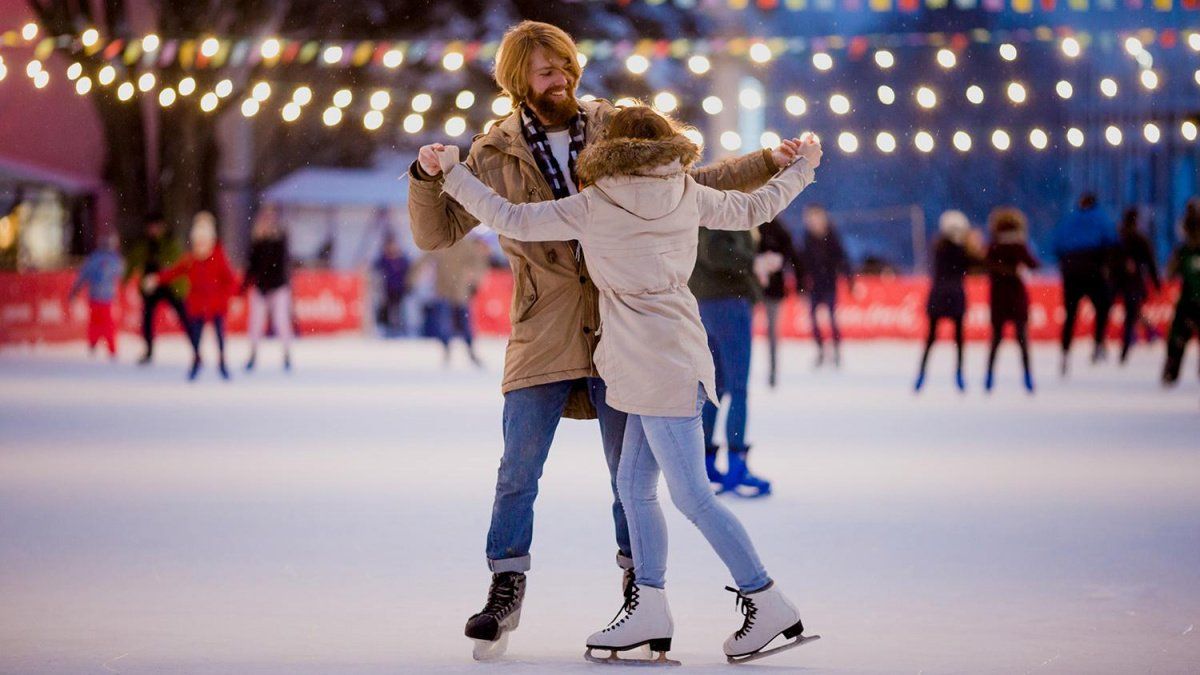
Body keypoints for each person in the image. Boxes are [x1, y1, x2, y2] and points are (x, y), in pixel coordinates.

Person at [406, 20, 806, 659]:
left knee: (656, 488)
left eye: (566, 65)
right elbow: (439, 235)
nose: (561, 78)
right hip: (555, 328)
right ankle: (541, 589)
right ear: (518, 81)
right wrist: (432, 178)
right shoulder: (496, 153)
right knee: (547, 472)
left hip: (626, 341)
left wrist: (768, 162)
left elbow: (695, 183)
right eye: (546, 71)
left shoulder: (610, 138)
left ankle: (688, 593)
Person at [691, 222, 771, 497]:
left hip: (708, 301)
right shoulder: (724, 206)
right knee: (736, 387)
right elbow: (714, 251)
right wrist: (753, 262)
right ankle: (736, 465)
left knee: (718, 386)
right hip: (727, 301)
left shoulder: (710, 201)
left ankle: (706, 464)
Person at [147, 212, 239, 381]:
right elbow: (174, 272)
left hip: (216, 303)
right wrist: (157, 278)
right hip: (197, 304)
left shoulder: (218, 256)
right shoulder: (190, 259)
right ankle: (197, 359)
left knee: (219, 335)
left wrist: (231, 296)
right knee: (195, 335)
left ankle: (222, 362)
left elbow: (230, 279)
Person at [1053, 192, 1117, 374]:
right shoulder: (1100, 217)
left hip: (1071, 267)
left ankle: (1065, 353)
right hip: (1092, 266)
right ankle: (1098, 344)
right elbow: (1112, 240)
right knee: (1103, 305)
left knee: (1071, 314)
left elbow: (1056, 243)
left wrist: (1065, 264)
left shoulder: (1070, 219)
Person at [914, 210, 976, 393]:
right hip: (953, 297)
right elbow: (975, 265)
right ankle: (958, 375)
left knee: (931, 339)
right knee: (957, 339)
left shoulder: (939, 247)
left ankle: (922, 375)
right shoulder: (959, 250)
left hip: (939, 297)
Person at [984, 207, 1041, 393]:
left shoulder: (993, 246)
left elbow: (985, 266)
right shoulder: (1019, 246)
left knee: (996, 339)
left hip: (998, 297)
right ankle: (1027, 376)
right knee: (1022, 339)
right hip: (1016, 296)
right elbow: (1035, 264)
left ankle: (989, 377)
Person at [412, 236, 490, 366]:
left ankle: (469, 350)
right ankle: (447, 349)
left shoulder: (465, 245)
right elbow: (425, 259)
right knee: (445, 323)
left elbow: (478, 263)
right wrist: (414, 276)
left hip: (459, 291)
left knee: (464, 323)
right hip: (445, 290)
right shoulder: (442, 243)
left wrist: (476, 279)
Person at [124, 214, 190, 365]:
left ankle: (195, 346)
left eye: (156, 227)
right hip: (150, 287)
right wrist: (126, 280)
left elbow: (176, 262)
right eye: (151, 227)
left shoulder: (169, 243)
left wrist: (162, 269)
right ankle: (148, 350)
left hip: (169, 285)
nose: (153, 230)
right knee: (147, 319)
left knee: (184, 315)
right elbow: (133, 262)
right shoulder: (144, 245)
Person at [800, 205, 853, 368]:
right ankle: (821, 350)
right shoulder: (807, 238)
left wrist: (850, 279)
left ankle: (836, 350)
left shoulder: (831, 237)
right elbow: (802, 264)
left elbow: (842, 259)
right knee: (813, 319)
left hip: (829, 284)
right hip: (814, 286)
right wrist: (801, 285)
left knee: (832, 318)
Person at [756, 219, 805, 389]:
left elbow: (794, 258)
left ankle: (772, 372)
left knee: (771, 334)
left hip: (770, 291)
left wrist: (800, 286)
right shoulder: (753, 225)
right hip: (751, 290)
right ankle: (739, 372)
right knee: (750, 331)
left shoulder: (780, 231)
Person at [243, 206, 293, 372]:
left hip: (277, 287)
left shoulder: (279, 242)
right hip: (261, 288)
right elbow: (252, 267)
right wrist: (244, 286)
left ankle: (286, 353)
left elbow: (279, 267)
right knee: (256, 321)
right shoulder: (257, 243)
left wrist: (269, 285)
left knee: (281, 320)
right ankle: (253, 353)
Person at [1114, 207, 1162, 363]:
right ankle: (1140, 335)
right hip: (1134, 282)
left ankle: (1133, 338)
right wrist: (1156, 282)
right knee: (1132, 311)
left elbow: (1110, 259)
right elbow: (1150, 261)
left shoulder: (1119, 238)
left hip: (1121, 282)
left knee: (1131, 312)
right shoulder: (1139, 239)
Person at [67, 232, 124, 359]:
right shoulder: (114, 259)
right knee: (107, 324)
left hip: (94, 296)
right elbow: (121, 274)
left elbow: (83, 276)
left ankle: (93, 344)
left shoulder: (94, 258)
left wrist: (74, 291)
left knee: (95, 323)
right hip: (106, 297)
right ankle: (111, 349)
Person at [1162, 198, 1200, 386]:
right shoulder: (1184, 251)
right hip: (1189, 298)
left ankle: (1171, 371)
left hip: (1188, 299)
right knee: (1177, 335)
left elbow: (1170, 272)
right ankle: (1171, 370)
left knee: (1178, 335)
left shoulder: (1184, 251)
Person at [373, 237, 410, 337]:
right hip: (387, 290)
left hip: (399, 290)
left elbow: (409, 272)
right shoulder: (384, 259)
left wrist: (408, 285)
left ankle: (400, 330)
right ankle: (388, 330)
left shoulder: (402, 260)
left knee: (399, 310)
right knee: (388, 311)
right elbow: (374, 267)